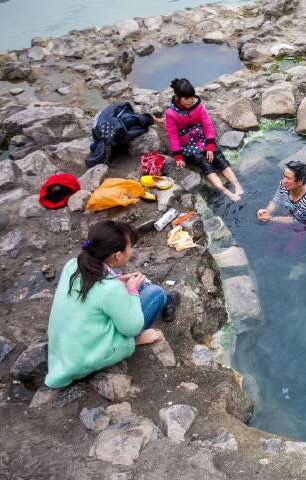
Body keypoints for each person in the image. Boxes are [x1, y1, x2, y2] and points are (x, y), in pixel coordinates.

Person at [45, 221, 180, 388]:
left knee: (143, 288)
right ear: (117, 255)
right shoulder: (111, 290)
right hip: (86, 357)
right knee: (156, 293)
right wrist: (132, 291)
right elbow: (131, 327)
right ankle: (139, 338)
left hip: (64, 351)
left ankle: (165, 301)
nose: (132, 250)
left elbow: (94, 295)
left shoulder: (72, 264)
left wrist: (115, 280)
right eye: (130, 246)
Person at [164, 78, 243, 202]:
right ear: (178, 97)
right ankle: (226, 191)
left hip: (203, 139)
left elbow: (207, 125)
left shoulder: (198, 106)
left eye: (191, 97)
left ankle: (237, 184)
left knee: (218, 157)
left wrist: (210, 146)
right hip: (188, 145)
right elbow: (172, 135)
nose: (190, 101)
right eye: (186, 98)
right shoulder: (171, 113)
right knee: (203, 162)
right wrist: (178, 156)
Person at [257, 161, 306, 230]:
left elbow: (295, 220)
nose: (284, 181)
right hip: (293, 211)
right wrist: (266, 211)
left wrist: (271, 218)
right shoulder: (284, 185)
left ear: (300, 181)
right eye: (284, 176)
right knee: (273, 231)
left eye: (288, 178)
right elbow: (275, 201)